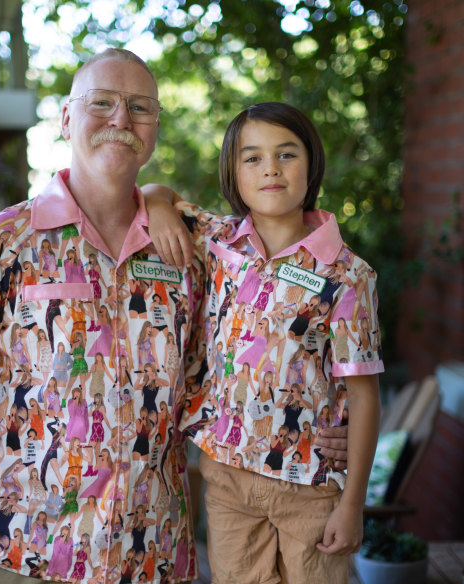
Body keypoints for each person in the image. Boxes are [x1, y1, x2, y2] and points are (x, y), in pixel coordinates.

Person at [0, 48, 349, 584]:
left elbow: (300, 291)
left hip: (155, 560)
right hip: (26, 560)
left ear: (154, 128)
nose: (121, 119)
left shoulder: (199, 247)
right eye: (101, 102)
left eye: (140, 107)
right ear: (64, 119)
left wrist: (336, 414)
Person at [143, 101, 382, 583]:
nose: (270, 168)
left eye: (286, 154)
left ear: (311, 165)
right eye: (252, 157)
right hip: (227, 478)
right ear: (233, 174)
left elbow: (364, 394)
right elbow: (154, 189)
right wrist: (154, 203)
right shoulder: (217, 240)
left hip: (311, 485)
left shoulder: (346, 274)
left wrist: (353, 504)